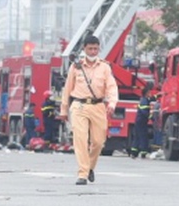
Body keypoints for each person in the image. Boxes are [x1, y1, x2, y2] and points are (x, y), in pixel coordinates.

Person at [60, 34, 119, 186]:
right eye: (90, 49)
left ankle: (90, 167)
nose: (93, 52)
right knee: (80, 140)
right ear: (84, 49)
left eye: (95, 49)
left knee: (98, 142)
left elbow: (112, 87)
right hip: (79, 106)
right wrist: (64, 110)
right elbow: (67, 89)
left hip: (98, 106)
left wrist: (112, 104)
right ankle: (82, 173)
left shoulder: (105, 67)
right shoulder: (76, 66)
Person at [129, 85, 152, 159]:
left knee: (137, 137)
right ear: (147, 93)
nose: (150, 93)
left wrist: (159, 95)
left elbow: (152, 98)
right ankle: (143, 153)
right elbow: (144, 112)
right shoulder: (144, 101)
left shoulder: (144, 99)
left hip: (139, 121)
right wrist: (151, 117)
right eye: (149, 92)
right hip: (141, 122)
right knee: (143, 137)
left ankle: (134, 153)